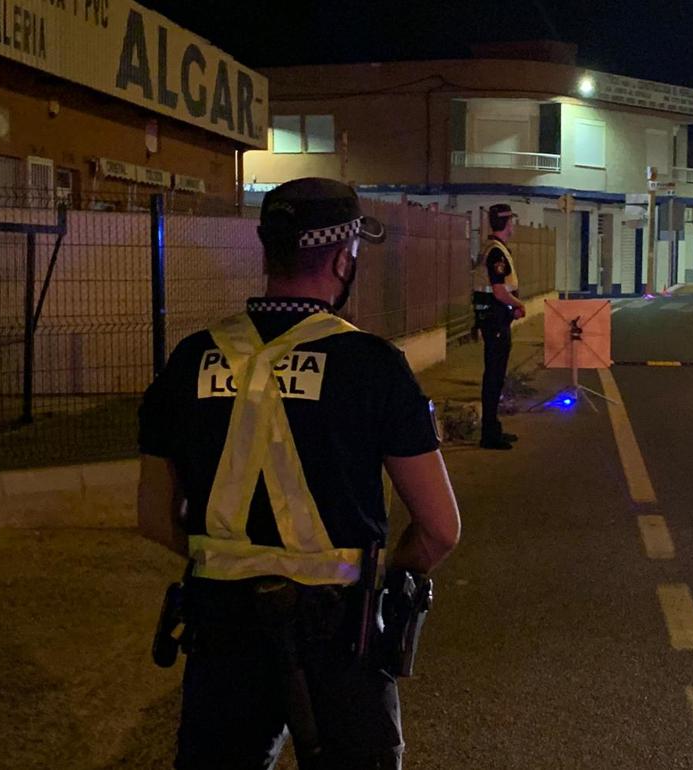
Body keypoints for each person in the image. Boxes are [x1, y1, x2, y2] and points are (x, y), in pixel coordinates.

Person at [137, 177, 461, 769]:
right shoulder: (374, 366)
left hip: (221, 632)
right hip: (342, 639)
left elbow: (155, 516)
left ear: (269, 252)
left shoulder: (189, 360)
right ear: (344, 258)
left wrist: (227, 563)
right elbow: (440, 528)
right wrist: (380, 576)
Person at [473, 203, 526, 450]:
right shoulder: (496, 252)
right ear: (506, 223)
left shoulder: (493, 248)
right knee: (493, 377)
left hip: (494, 319)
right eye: (512, 221)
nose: (513, 225)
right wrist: (517, 304)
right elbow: (498, 290)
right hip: (495, 320)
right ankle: (489, 434)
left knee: (495, 376)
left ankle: (493, 428)